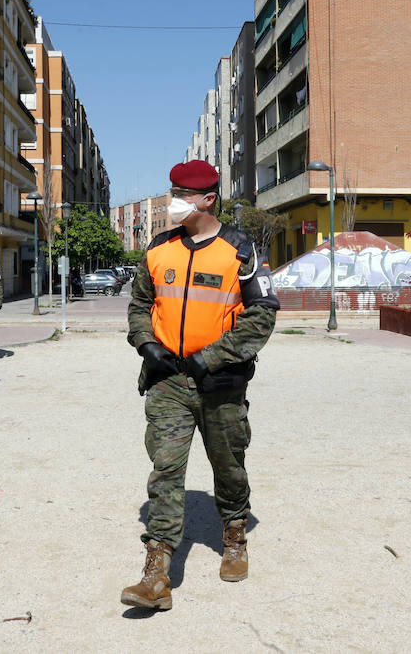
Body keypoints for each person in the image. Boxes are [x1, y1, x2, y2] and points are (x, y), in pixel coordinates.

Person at [121, 160, 280, 611]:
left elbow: (262, 316)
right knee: (166, 471)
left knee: (228, 466)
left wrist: (209, 357)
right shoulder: (157, 249)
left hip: (220, 383)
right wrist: (145, 343)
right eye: (171, 191)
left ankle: (234, 534)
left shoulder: (241, 251)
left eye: (181, 194)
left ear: (208, 199)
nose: (173, 201)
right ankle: (157, 572)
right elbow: (139, 303)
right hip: (168, 380)